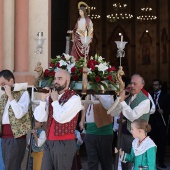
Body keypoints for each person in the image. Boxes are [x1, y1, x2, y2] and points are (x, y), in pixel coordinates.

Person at [33, 69, 82, 170]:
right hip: (49, 142)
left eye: (60, 79)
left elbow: (61, 117)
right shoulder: (50, 97)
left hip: (64, 143)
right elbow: (39, 118)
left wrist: (55, 100)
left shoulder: (74, 98)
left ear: (67, 81)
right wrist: (43, 99)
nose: (56, 81)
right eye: (55, 78)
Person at [109, 74, 150, 170]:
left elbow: (133, 116)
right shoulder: (127, 97)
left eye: (135, 84)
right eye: (131, 83)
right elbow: (113, 113)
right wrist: (120, 99)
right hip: (123, 134)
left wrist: (123, 102)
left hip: (135, 137)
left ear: (141, 86)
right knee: (124, 162)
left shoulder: (145, 101)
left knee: (135, 163)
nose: (132, 86)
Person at [0, 69, 31, 170]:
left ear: (11, 81)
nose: (2, 87)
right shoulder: (3, 97)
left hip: (15, 138)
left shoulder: (23, 94)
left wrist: (10, 96)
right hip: (4, 138)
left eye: (3, 83)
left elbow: (19, 114)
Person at [79, 95, 114, 170]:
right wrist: (82, 120)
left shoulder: (108, 93)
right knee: (92, 163)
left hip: (104, 133)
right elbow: (85, 107)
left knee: (106, 163)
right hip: (90, 132)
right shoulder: (89, 95)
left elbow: (109, 106)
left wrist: (98, 95)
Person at [149, 79, 170, 168]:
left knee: (161, 143)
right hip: (152, 123)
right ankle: (152, 160)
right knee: (152, 143)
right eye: (153, 85)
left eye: (156, 85)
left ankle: (161, 161)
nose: (154, 86)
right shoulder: (150, 95)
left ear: (160, 86)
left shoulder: (166, 96)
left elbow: (169, 108)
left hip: (162, 123)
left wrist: (164, 111)